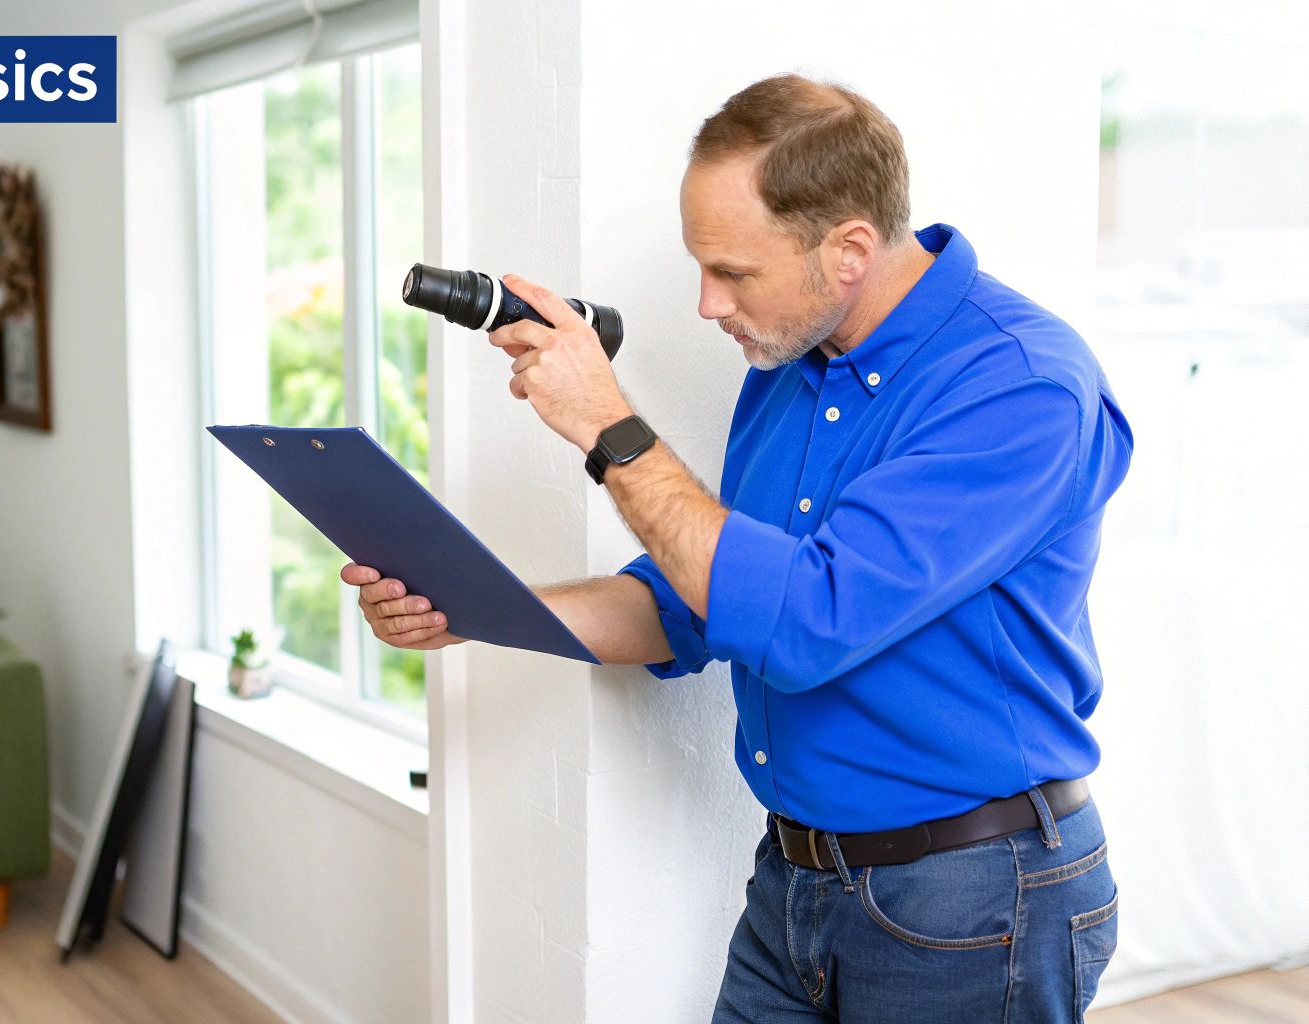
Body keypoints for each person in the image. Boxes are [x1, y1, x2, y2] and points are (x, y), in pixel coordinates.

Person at [342, 73, 1134, 1022]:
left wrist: (610, 427)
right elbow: (698, 600)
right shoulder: (794, 360)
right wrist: (470, 607)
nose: (709, 304)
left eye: (735, 272)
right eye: (700, 267)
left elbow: (806, 619)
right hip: (796, 882)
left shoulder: (1019, 385)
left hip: (972, 901)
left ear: (848, 249)